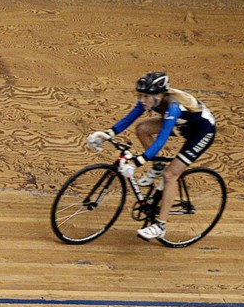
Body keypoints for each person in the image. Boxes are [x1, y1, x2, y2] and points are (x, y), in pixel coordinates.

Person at [87, 72, 216, 242]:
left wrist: (136, 162)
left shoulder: (173, 106)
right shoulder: (149, 100)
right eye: (140, 95)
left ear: (159, 95)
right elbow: (129, 119)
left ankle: (160, 225)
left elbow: (161, 140)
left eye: (145, 96)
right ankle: (157, 167)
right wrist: (106, 134)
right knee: (142, 128)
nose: (141, 100)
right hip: (182, 125)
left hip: (201, 133)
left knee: (170, 175)